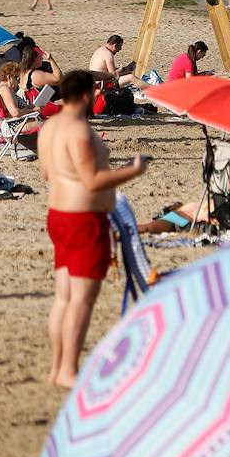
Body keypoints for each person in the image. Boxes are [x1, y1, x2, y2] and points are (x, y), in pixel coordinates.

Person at [39, 69, 149, 387]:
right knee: (81, 300)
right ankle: (69, 370)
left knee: (63, 298)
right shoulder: (80, 132)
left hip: (58, 215)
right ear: (87, 95)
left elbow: (47, 173)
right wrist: (133, 170)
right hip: (83, 219)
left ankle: (57, 367)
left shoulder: (49, 128)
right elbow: (91, 181)